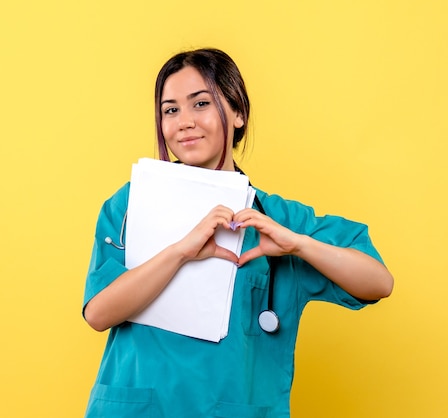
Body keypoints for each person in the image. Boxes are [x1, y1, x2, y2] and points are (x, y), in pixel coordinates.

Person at [81, 48, 394, 418]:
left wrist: (299, 245)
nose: (184, 122)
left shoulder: (275, 220)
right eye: (170, 110)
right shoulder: (130, 204)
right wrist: (180, 251)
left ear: (238, 113)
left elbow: (378, 282)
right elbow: (98, 314)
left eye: (200, 104)